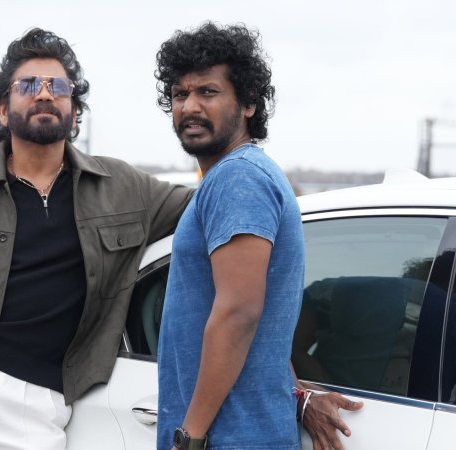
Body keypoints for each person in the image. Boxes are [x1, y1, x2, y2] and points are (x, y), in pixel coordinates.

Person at [0, 28, 193, 450]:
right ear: (3, 111)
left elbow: (212, 204)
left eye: (58, 87)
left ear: (74, 112)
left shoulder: (124, 189)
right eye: (28, 85)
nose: (44, 94)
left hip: (35, 409)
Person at [154, 23, 361, 450]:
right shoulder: (240, 175)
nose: (190, 106)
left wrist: (190, 438)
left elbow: (239, 313)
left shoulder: (238, 178)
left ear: (248, 102)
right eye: (180, 94)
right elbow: (263, 324)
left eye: (208, 92)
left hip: (229, 439)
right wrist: (299, 396)